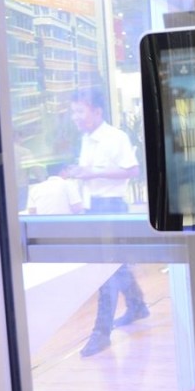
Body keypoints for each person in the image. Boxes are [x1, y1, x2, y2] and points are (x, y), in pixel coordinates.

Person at [67, 88, 149, 357]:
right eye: (73, 111)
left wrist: (92, 173)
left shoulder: (116, 137)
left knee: (106, 271)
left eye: (80, 111)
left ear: (97, 111)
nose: (75, 116)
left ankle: (101, 333)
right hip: (94, 208)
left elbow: (132, 170)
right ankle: (137, 306)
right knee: (116, 266)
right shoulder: (86, 139)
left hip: (111, 207)